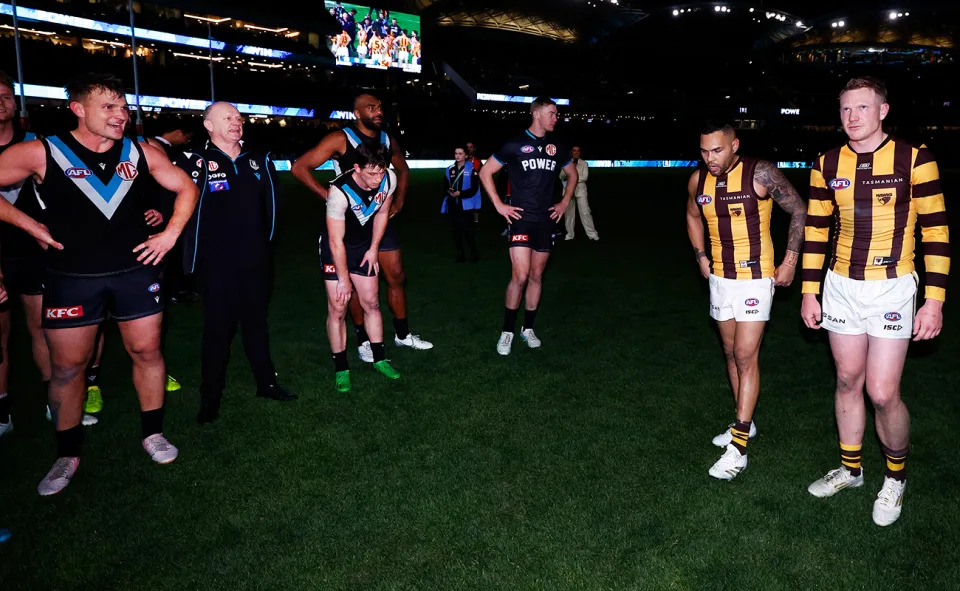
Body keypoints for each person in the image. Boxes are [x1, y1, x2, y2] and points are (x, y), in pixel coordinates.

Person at [0, 73, 199, 495]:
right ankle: (66, 453)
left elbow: (186, 187)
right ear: (78, 108)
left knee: (147, 351)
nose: (120, 115)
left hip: (136, 273)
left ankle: (153, 432)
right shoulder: (43, 151)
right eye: (108, 107)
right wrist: (27, 223)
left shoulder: (139, 152)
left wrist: (170, 235)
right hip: (71, 279)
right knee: (69, 367)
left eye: (123, 107)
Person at [801, 77, 949, 526]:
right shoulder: (826, 162)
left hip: (892, 285)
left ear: (883, 111)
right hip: (841, 284)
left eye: (862, 108)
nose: (852, 118)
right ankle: (851, 469)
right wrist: (810, 289)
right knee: (847, 380)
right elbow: (815, 230)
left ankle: (895, 477)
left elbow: (936, 231)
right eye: (845, 109)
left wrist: (934, 300)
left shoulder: (915, 159)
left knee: (882, 393)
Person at [685, 121, 807, 481]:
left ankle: (738, 448)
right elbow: (692, 216)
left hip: (756, 279)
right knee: (728, 352)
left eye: (717, 150)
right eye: (704, 151)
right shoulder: (698, 181)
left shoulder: (761, 173)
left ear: (734, 144)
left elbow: (799, 210)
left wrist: (790, 260)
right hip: (721, 279)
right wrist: (700, 256)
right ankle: (746, 421)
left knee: (745, 355)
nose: (710, 158)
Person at [292, 93, 433, 364]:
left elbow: (402, 170)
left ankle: (403, 334)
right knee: (354, 286)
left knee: (396, 275)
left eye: (380, 107)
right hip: (350, 226)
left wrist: (399, 199)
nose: (378, 111)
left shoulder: (386, 139)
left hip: (378, 219)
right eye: (371, 107)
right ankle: (364, 340)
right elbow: (300, 167)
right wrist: (332, 197)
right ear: (357, 113)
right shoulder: (340, 138)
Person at [188, 102, 296, 424]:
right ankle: (210, 399)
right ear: (208, 125)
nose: (236, 122)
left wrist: (264, 249)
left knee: (256, 325)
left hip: (256, 262)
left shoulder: (260, 160)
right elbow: (179, 209)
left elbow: (273, 211)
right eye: (227, 118)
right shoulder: (195, 161)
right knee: (218, 331)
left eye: (238, 118)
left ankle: (267, 383)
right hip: (216, 266)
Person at [478, 96, 577, 355]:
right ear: (536, 114)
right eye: (552, 113)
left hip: (546, 221)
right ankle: (507, 331)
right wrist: (500, 205)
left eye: (557, 114)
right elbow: (485, 172)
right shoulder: (514, 143)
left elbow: (573, 174)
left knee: (536, 276)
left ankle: (528, 329)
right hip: (521, 219)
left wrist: (564, 201)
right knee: (520, 276)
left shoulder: (557, 145)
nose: (557, 118)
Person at [321, 142, 401, 392]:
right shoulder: (339, 191)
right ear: (356, 167)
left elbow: (381, 214)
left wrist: (374, 249)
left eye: (381, 170)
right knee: (338, 307)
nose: (378, 177)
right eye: (371, 173)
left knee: (372, 303)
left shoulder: (389, 178)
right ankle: (342, 368)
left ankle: (379, 359)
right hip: (336, 249)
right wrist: (343, 279)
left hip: (364, 246)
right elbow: (335, 242)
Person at [0, 72, 47, 437]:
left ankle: (54, 399)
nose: (1, 103)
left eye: (5, 96)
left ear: (16, 103)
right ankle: (2, 410)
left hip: (33, 253)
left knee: (43, 328)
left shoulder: (36, 145)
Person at [441, 146, 481, 262]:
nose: (457, 156)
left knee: (467, 231)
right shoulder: (449, 169)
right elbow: (445, 185)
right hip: (453, 205)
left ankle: (474, 253)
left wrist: (461, 194)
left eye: (460, 153)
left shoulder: (471, 169)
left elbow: (474, 188)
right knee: (455, 231)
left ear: (466, 156)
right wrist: (449, 192)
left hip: (466, 206)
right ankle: (460, 254)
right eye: (456, 153)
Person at [560, 145, 599, 241]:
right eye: (574, 150)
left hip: (580, 191)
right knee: (569, 214)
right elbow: (561, 176)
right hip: (568, 191)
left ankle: (592, 234)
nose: (576, 152)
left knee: (585, 212)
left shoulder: (584, 163)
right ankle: (570, 235)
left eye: (578, 151)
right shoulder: (566, 162)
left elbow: (585, 177)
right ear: (571, 152)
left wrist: (572, 178)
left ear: (580, 152)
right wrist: (568, 173)